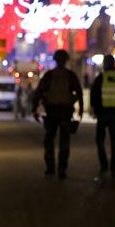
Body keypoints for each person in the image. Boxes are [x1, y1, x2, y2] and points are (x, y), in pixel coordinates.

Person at [31, 49, 84, 179]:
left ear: (55, 60)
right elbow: (79, 93)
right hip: (65, 113)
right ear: (66, 60)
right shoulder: (70, 75)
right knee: (64, 142)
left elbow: (38, 93)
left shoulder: (49, 75)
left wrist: (35, 109)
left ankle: (50, 168)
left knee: (49, 140)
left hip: (52, 113)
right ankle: (62, 169)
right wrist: (80, 109)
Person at [90, 54, 115, 177]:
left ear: (104, 65)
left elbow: (94, 96)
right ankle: (114, 166)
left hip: (102, 115)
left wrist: (96, 110)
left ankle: (104, 164)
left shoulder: (100, 78)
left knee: (100, 140)